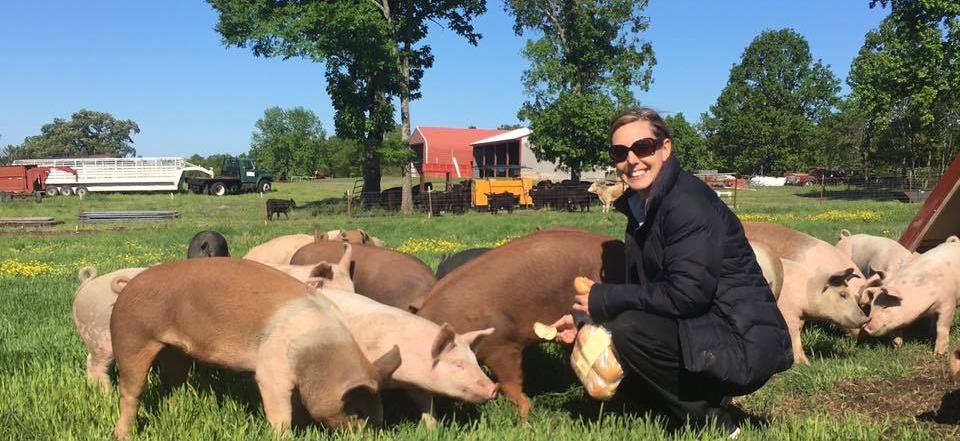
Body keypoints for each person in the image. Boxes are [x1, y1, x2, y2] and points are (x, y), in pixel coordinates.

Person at [551, 107, 792, 436]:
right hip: (713, 328)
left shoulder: (686, 203)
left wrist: (604, 298)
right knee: (620, 337)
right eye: (620, 152)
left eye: (643, 147)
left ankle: (713, 420)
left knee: (631, 330)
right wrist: (586, 320)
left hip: (744, 343)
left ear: (665, 148)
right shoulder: (645, 206)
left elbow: (686, 295)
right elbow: (647, 290)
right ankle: (679, 405)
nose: (631, 159)